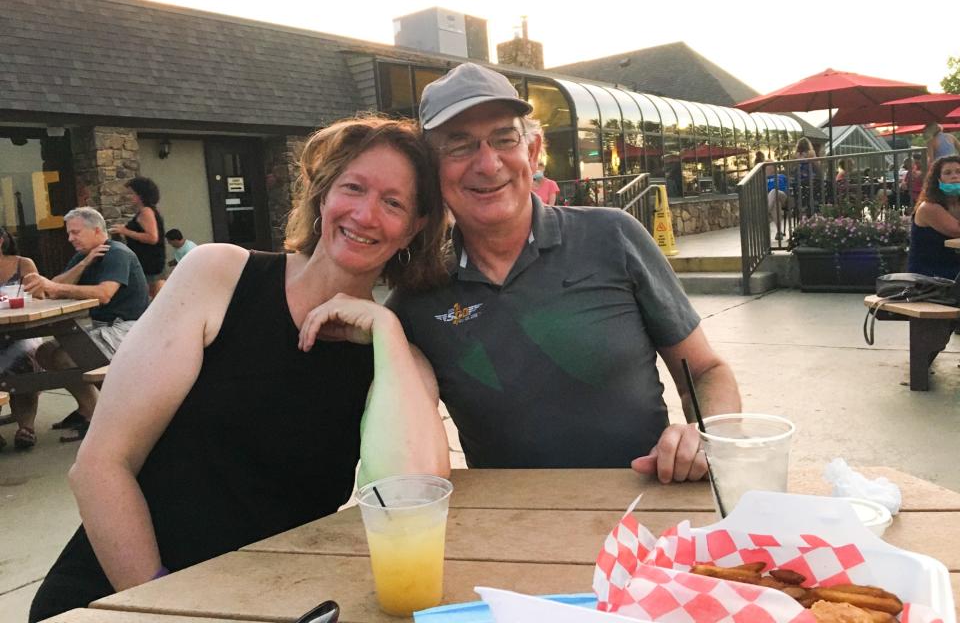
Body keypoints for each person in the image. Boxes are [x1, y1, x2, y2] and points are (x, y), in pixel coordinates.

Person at [29, 116, 451, 621]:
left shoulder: (398, 358)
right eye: (353, 188)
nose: (364, 214)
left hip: (265, 604)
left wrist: (385, 332)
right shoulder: (220, 277)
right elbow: (99, 467)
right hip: (121, 595)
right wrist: (166, 604)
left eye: (393, 202)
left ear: (415, 226)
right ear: (323, 196)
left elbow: (415, 499)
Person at [388, 63, 741, 483]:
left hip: (647, 521)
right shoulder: (419, 295)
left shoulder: (613, 235)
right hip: (514, 531)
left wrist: (708, 434)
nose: (487, 163)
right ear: (431, 170)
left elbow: (705, 372)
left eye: (504, 139)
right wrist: (373, 321)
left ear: (533, 152)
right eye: (459, 146)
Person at [20, 207, 150, 441]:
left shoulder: (117, 253)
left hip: (129, 328)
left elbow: (104, 293)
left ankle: (102, 416)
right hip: (102, 327)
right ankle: (88, 409)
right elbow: (53, 289)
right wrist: (83, 264)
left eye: (75, 232)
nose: (70, 238)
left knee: (66, 355)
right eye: (69, 233)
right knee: (45, 351)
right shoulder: (85, 255)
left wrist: (55, 287)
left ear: (97, 230)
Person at [0, 227, 45, 451]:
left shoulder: (23, 264)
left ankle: (26, 427)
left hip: (23, 332)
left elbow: (39, 295)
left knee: (25, 358)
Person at [109, 177, 166, 298]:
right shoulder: (148, 211)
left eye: (131, 193)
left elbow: (152, 237)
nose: (129, 197)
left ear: (140, 195)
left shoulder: (146, 211)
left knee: (150, 296)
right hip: (150, 261)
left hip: (149, 262)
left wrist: (125, 231)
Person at [907, 155, 960, 280]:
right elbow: (956, 231)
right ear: (938, 180)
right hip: (930, 273)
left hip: (952, 267)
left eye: (959, 171)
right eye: (947, 173)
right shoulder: (929, 207)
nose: (955, 176)